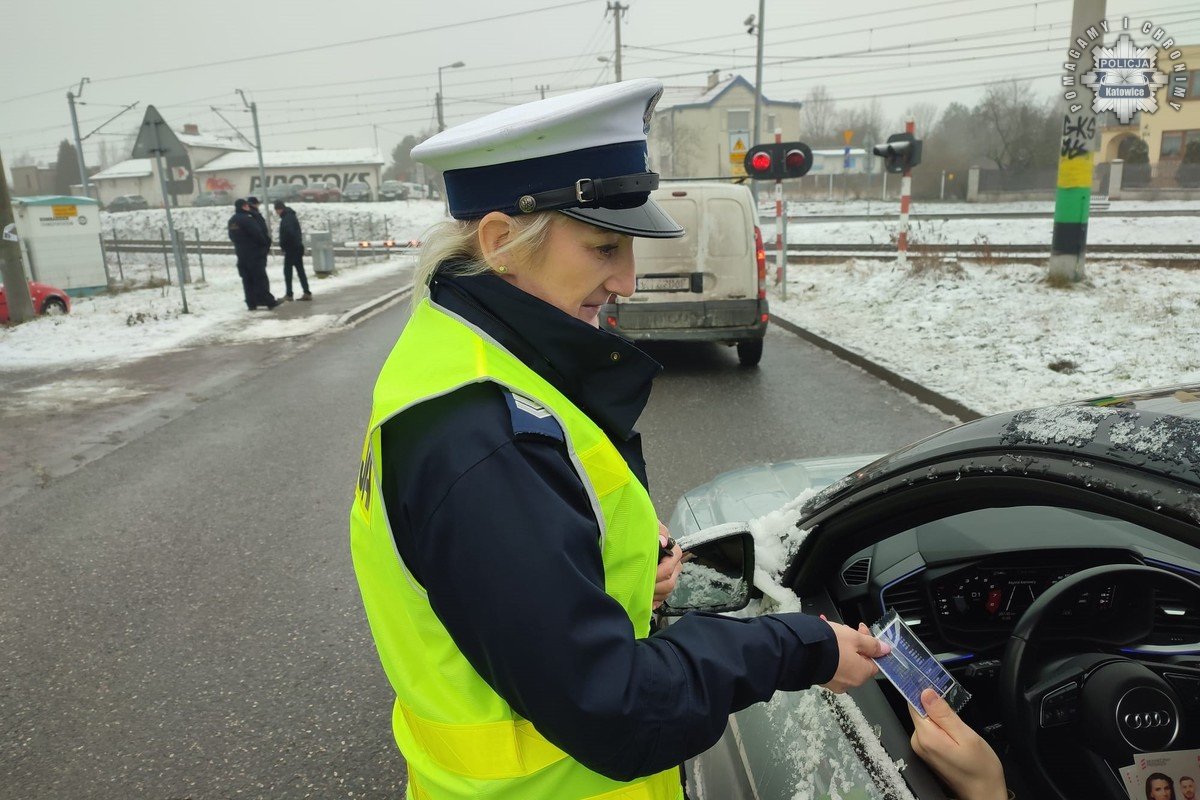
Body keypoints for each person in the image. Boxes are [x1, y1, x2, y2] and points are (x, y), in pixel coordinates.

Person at [348, 79, 987, 800]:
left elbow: (508, 585)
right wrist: (798, 647)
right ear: (501, 242)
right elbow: (613, 707)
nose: (625, 278)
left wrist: (604, 567)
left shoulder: (461, 353)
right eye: (601, 247)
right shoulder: (485, 435)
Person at [227, 198, 279, 310]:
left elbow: (232, 237)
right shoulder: (247, 219)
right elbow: (258, 234)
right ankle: (268, 301)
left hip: (241, 254)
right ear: (244, 206)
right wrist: (265, 244)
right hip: (254, 254)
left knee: (247, 279)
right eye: (246, 205)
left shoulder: (232, 221)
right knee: (260, 278)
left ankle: (251, 303)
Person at [274, 200, 311, 301]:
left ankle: (289, 294)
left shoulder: (287, 218)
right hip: (297, 247)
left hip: (291, 248)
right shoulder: (291, 216)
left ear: (279, 209)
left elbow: (288, 233)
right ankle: (307, 292)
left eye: (276, 210)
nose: (276, 213)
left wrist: (284, 245)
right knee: (300, 271)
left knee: (288, 271)